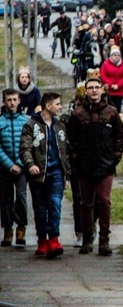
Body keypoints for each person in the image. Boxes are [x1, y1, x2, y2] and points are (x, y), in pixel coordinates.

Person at [67, 76, 123, 256]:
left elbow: (120, 136)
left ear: (102, 89)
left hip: (105, 164)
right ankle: (87, 237)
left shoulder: (111, 112)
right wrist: (76, 158)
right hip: (85, 165)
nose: (93, 90)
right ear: (86, 91)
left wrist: (115, 156)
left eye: (96, 87)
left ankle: (104, 239)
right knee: (86, 203)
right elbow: (70, 139)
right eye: (90, 87)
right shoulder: (78, 114)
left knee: (104, 201)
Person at [19, 92, 70, 259]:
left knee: (55, 205)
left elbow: (65, 151)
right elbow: (25, 148)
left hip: (56, 173)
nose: (60, 107)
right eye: (57, 104)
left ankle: (54, 239)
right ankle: (42, 240)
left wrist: (67, 175)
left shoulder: (60, 126)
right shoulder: (31, 125)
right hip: (38, 175)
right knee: (40, 208)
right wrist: (30, 164)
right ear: (48, 106)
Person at [0, 89, 30, 247]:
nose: (12, 103)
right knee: (5, 199)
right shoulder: (0, 122)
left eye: (14, 100)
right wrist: (9, 164)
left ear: (19, 101)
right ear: (4, 102)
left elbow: (28, 145)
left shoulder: (26, 121)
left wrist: (19, 162)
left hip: (21, 167)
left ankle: (21, 227)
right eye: (8, 100)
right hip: (4, 168)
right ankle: (7, 229)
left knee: (21, 197)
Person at [99, 47, 123, 113]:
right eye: (115, 55)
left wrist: (118, 85)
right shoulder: (105, 64)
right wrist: (111, 84)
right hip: (109, 90)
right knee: (109, 108)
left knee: (117, 108)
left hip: (120, 90)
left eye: (118, 55)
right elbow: (103, 75)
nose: (117, 57)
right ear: (111, 56)